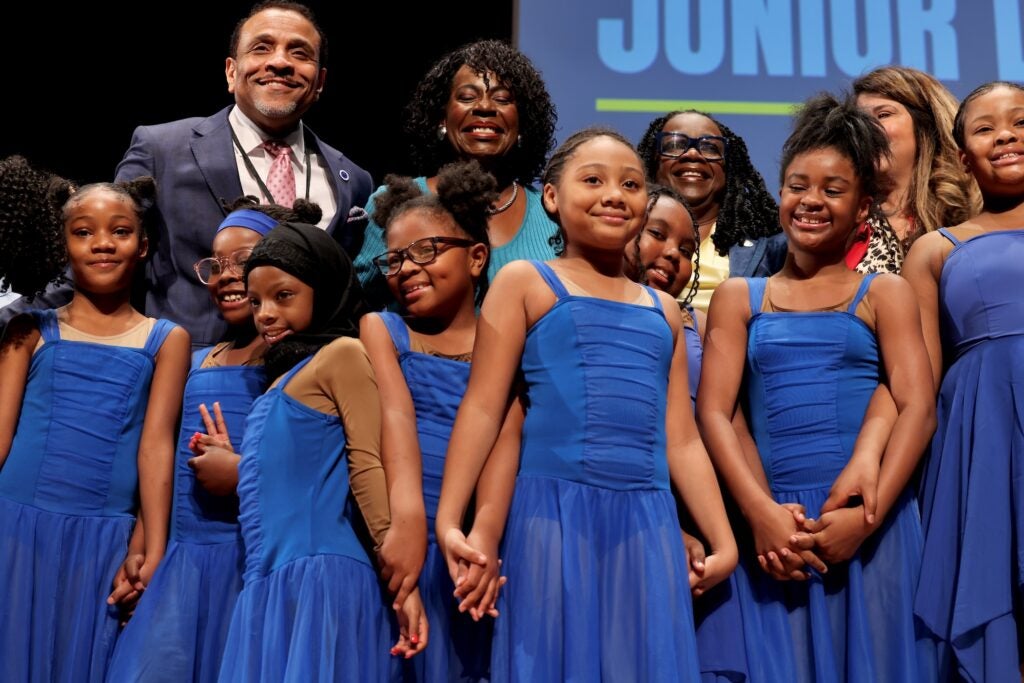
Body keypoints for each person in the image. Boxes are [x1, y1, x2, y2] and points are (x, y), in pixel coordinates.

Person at [434, 126, 738, 681]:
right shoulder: (526, 282)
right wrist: (452, 519)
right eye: (592, 180)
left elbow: (682, 437)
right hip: (550, 515)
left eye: (630, 183)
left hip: (646, 519)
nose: (614, 194)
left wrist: (724, 540)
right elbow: (484, 407)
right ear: (551, 197)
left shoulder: (664, 311)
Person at [698, 93, 937, 681]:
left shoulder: (884, 292)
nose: (811, 201)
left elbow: (917, 406)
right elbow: (717, 414)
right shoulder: (739, 297)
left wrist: (867, 518)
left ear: (862, 209)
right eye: (797, 185)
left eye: (833, 190)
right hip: (779, 533)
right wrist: (760, 514)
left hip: (867, 526)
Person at [188, 221, 426, 681]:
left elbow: (367, 464)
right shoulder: (280, 378)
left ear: (322, 289)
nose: (265, 314)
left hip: (320, 574)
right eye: (256, 302)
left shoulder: (341, 354)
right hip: (269, 579)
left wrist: (400, 579)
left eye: (283, 296)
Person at [105, 197, 318, 683]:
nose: (224, 275)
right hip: (183, 558)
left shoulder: (296, 363)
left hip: (249, 561)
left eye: (243, 261)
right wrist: (142, 546)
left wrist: (240, 471)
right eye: (214, 265)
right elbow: (167, 469)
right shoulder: (197, 360)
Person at [0, 176, 190, 681]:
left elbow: (156, 448)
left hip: (104, 537)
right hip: (15, 526)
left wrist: (150, 540)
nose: (102, 243)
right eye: (84, 232)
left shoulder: (167, 340)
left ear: (143, 244)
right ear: (63, 243)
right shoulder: (29, 330)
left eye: (120, 231)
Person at [112, 0, 372, 349]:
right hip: (189, 377)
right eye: (261, 47)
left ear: (320, 80)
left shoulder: (353, 179)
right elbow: (103, 257)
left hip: (310, 382)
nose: (280, 62)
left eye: (299, 53)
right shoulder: (161, 149)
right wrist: (22, 322)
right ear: (231, 72)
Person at [903, 80, 1024, 682]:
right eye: (985, 127)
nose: (1005, 134)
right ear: (961, 156)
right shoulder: (934, 250)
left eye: (1019, 120)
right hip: (982, 442)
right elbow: (917, 384)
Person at [360, 160, 495, 682]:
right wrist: (409, 523)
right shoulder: (383, 329)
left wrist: (484, 533)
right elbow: (394, 415)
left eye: (426, 251)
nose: (408, 269)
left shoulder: (506, 340)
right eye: (394, 261)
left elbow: (506, 437)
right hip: (407, 529)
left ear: (477, 257)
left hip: (482, 543)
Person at [353, 39, 559, 311]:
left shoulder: (550, 214)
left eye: (502, 99)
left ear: (522, 123)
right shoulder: (393, 202)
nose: (485, 107)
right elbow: (357, 304)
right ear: (442, 118)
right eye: (466, 97)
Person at [637, 110, 786, 313]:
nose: (692, 154)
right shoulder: (627, 228)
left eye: (710, 148)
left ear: (729, 168)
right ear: (653, 161)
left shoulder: (770, 250)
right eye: (675, 144)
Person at [847, 65, 981, 273]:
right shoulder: (845, 220)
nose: (867, 129)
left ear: (925, 125)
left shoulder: (972, 208)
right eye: (860, 121)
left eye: (883, 115)